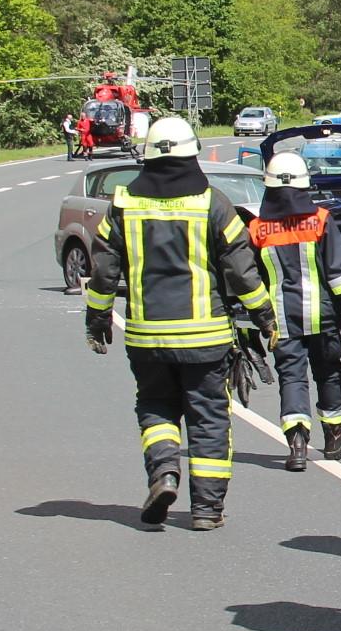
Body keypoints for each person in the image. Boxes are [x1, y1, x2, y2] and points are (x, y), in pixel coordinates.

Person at [84, 116, 275, 531]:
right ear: (193, 153)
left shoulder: (123, 204)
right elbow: (242, 272)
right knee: (208, 418)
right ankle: (206, 510)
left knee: (156, 408)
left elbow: (103, 271)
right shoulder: (214, 203)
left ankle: (165, 474)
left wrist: (97, 316)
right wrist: (264, 315)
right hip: (205, 337)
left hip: (146, 336)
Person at [249, 153, 341, 470]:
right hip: (321, 317)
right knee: (328, 373)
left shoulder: (257, 228)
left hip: (280, 322)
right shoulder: (320, 220)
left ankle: (297, 445)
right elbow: (339, 276)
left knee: (292, 378)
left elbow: (250, 277)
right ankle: (334, 435)